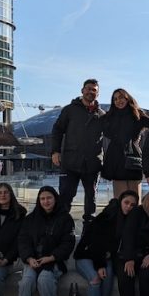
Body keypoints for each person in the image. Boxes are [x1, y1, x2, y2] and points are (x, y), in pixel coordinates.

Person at [73, 190, 139, 296]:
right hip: (86, 256)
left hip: (104, 257)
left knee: (108, 277)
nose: (129, 207)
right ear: (120, 202)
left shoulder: (129, 220)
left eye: (133, 205)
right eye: (126, 203)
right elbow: (97, 243)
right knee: (95, 279)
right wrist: (100, 265)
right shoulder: (107, 217)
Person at [16, 186, 76, 296]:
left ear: (55, 199)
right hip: (33, 260)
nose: (46, 201)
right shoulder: (30, 219)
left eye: (49, 198)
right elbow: (23, 240)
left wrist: (51, 257)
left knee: (44, 280)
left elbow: (68, 243)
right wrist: (29, 258)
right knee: (26, 282)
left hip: (53, 261)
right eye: (42, 199)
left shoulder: (65, 218)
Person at [50, 79, 106, 222]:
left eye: (94, 90)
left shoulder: (102, 115)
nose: (90, 92)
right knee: (65, 198)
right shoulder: (70, 110)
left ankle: (88, 235)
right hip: (70, 162)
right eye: (88, 89)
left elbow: (114, 135)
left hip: (92, 164)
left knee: (90, 203)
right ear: (82, 90)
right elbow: (57, 130)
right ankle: (60, 231)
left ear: (98, 93)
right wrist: (55, 151)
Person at [101, 88, 149, 198]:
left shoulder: (137, 115)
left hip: (133, 159)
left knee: (135, 200)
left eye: (121, 97)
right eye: (115, 99)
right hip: (116, 160)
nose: (118, 101)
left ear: (127, 99)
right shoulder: (108, 117)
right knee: (119, 201)